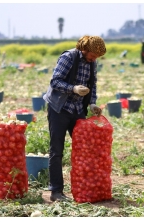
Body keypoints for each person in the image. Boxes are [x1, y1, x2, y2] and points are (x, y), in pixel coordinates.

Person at [43, 35, 106, 202]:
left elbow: (93, 85)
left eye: (96, 57)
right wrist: (73, 89)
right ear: (84, 49)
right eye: (92, 55)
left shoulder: (93, 62)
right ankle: (56, 191)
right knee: (56, 150)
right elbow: (54, 81)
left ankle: (86, 188)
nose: (94, 59)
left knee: (86, 148)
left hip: (78, 109)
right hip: (59, 108)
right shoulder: (68, 57)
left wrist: (92, 104)